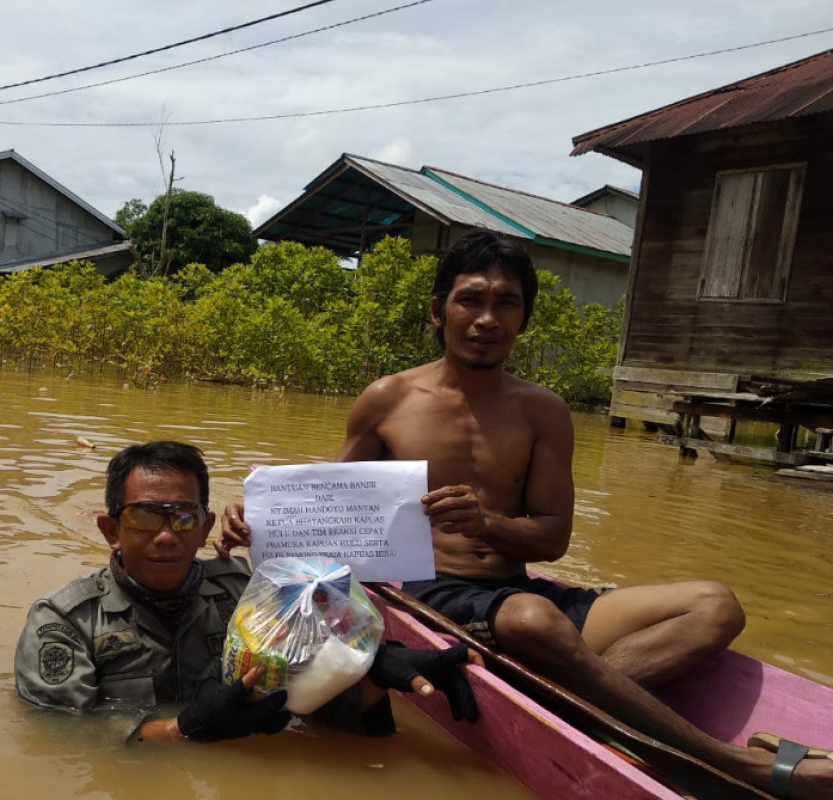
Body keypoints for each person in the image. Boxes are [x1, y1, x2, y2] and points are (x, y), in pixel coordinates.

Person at [218, 230, 833, 799]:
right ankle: (730, 764)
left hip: (518, 597)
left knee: (715, 604)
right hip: (437, 595)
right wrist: (260, 526)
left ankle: (565, 700)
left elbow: (554, 538)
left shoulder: (544, 410)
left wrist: (488, 522)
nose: (487, 319)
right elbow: (334, 512)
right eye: (471, 300)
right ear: (439, 311)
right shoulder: (389, 399)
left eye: (506, 303)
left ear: (523, 319)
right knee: (536, 619)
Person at [15, 440, 480, 745]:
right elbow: (60, 738)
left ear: (205, 529)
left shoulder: (254, 593)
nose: (165, 536)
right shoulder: (63, 619)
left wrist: (371, 672)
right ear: (110, 529)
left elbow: (316, 705)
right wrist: (184, 729)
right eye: (143, 516)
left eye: (182, 517)